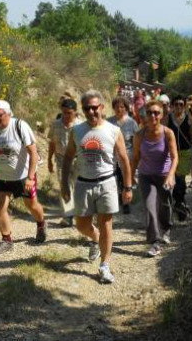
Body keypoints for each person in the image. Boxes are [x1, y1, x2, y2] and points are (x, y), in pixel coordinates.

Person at [61, 90, 133, 284]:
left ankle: (104, 265)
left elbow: (124, 160)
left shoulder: (113, 130)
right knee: (81, 225)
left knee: (106, 223)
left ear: (101, 107)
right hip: (83, 183)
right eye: (87, 108)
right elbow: (68, 157)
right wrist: (64, 183)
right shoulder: (76, 131)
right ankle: (95, 238)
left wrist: (127, 187)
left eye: (95, 107)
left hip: (107, 182)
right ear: (83, 110)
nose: (92, 111)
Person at [0, 100, 47, 254]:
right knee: (0, 209)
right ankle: (7, 240)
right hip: (2, 177)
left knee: (31, 205)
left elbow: (33, 152)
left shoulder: (19, 126)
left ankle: (41, 224)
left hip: (23, 176)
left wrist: (30, 177)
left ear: (9, 113)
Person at [131, 100, 178, 257]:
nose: (153, 115)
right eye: (149, 112)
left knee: (165, 205)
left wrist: (171, 176)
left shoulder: (168, 133)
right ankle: (155, 241)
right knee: (150, 207)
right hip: (146, 176)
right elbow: (136, 157)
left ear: (162, 115)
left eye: (156, 112)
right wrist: (130, 176)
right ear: (145, 114)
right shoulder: (139, 135)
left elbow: (174, 156)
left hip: (165, 175)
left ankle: (166, 229)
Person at [48, 98, 82, 227]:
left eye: (69, 113)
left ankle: (81, 214)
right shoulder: (56, 125)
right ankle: (68, 216)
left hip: (78, 160)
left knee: (79, 187)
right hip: (61, 159)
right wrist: (49, 160)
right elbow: (52, 143)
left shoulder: (81, 126)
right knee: (65, 186)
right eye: (64, 112)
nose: (67, 115)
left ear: (75, 112)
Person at [165, 95, 192, 222]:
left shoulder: (189, 118)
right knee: (172, 178)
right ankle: (180, 202)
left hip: (185, 152)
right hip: (170, 153)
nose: (178, 107)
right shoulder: (168, 118)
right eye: (176, 104)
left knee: (180, 178)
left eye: (181, 104)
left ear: (184, 106)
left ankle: (179, 202)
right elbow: (161, 133)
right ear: (172, 106)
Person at [107, 96, 139, 214]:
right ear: (113, 108)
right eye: (117, 107)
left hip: (128, 155)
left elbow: (136, 140)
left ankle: (126, 203)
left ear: (126, 108)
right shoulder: (108, 122)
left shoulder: (132, 123)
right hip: (112, 156)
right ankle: (117, 200)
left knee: (125, 178)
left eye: (122, 107)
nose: (119, 109)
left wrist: (136, 156)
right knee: (115, 179)